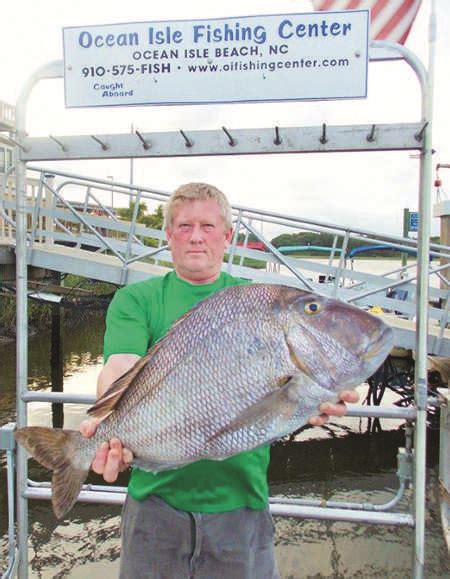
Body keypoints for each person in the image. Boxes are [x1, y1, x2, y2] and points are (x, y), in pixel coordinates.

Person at [80, 182, 358, 578]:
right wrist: (108, 429)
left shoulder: (256, 303)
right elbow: (120, 367)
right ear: (169, 235)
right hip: (154, 505)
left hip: (241, 503)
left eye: (208, 226)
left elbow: (289, 388)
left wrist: (322, 394)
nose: (196, 237)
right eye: (185, 226)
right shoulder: (136, 299)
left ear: (228, 236)